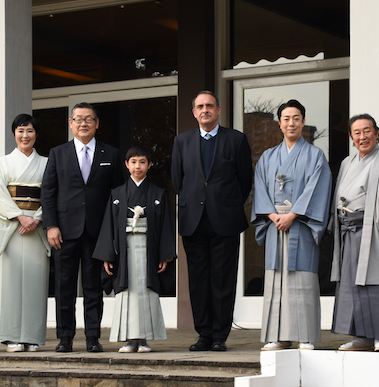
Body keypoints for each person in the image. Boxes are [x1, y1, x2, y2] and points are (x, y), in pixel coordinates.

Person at [171, 90, 253, 352]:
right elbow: (177, 180)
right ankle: (204, 333)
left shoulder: (236, 140)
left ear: (218, 110)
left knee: (222, 279)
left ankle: (220, 335)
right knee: (198, 280)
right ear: (194, 112)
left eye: (209, 106)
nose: (205, 110)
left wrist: (224, 203)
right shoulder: (182, 141)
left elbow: (244, 181)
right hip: (193, 220)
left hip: (225, 220)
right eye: (199, 106)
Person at [41, 102, 123, 353]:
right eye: (78, 119)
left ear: (97, 123)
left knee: (93, 287)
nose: (83, 123)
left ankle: (92, 337)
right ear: (71, 123)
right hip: (64, 231)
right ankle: (65, 337)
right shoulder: (58, 153)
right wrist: (51, 225)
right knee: (64, 287)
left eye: (89, 119)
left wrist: (112, 232)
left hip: (97, 232)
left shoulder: (111, 154)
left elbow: (117, 195)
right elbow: (48, 192)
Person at [251, 100, 332, 351]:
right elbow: (260, 188)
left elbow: (318, 188)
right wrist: (274, 216)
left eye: (296, 118)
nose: (291, 123)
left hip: (301, 226)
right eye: (286, 119)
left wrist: (294, 214)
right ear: (279, 123)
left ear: (303, 122)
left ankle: (305, 336)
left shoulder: (315, 155)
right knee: (276, 279)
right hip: (276, 225)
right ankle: (277, 336)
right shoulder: (268, 156)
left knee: (302, 279)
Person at [330, 114, 379, 352]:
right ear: (352, 137)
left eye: (367, 131)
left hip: (372, 230)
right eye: (357, 133)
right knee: (351, 284)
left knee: (376, 282)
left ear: (376, 132)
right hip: (348, 231)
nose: (363, 137)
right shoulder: (346, 164)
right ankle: (360, 337)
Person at [93, 145, 176, 353]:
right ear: (126, 165)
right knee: (127, 291)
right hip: (124, 249)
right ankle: (129, 339)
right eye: (133, 162)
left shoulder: (157, 193)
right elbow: (109, 226)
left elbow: (166, 225)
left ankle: (145, 339)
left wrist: (165, 255)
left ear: (149, 165)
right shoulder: (117, 193)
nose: (137, 166)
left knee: (146, 291)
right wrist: (107, 255)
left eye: (142, 162)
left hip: (149, 249)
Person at [0, 114, 50, 352]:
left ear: (37, 135)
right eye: (21, 131)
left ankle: (33, 336)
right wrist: (20, 216)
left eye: (30, 131)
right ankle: (12, 336)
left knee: (36, 281)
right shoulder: (2, 164)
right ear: (14, 133)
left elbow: (52, 194)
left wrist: (36, 218)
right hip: (13, 227)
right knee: (11, 282)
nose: (25, 136)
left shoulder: (46, 163)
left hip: (36, 226)